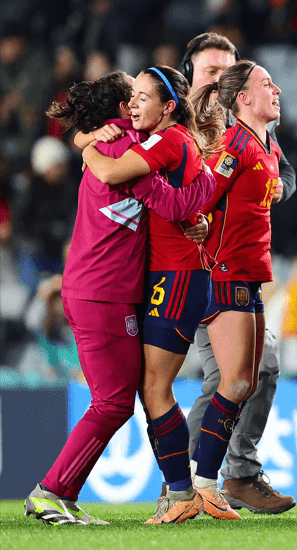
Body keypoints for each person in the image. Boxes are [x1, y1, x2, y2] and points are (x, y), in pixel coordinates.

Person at [24, 71, 215, 525]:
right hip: (100, 292)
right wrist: (212, 181)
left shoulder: (113, 143)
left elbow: (90, 145)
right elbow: (170, 205)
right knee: (112, 401)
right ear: (123, 109)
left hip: (103, 290)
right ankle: (51, 491)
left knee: (122, 397)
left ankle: (64, 493)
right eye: (134, 95)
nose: (139, 102)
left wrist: (84, 138)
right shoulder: (124, 148)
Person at [77, 65, 220, 524]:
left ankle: (182, 495)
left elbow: (116, 171)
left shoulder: (168, 140)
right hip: (164, 276)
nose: (133, 104)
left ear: (168, 107)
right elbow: (185, 202)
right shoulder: (162, 142)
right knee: (150, 388)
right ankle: (180, 493)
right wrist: (85, 141)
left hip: (176, 278)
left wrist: (89, 152)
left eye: (142, 97)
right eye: (131, 96)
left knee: (155, 388)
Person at [181, 33, 297, 515]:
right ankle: (194, 481)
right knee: (230, 383)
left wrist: (273, 191)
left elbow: (280, 179)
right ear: (241, 97)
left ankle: (210, 481)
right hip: (220, 272)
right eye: (267, 83)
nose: (277, 90)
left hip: (248, 276)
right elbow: (199, 195)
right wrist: (196, 225)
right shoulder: (228, 142)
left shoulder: (264, 142)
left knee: (246, 380)